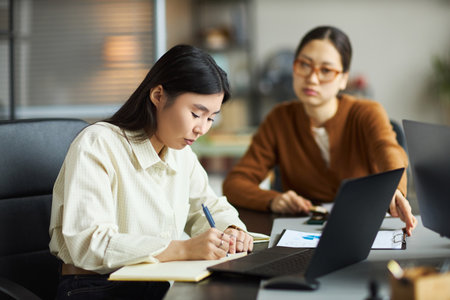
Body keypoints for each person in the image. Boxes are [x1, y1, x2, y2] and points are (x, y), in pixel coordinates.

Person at [49, 44, 253, 300]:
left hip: (155, 281)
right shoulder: (98, 144)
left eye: (211, 118)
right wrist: (182, 249)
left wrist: (232, 230)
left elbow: (208, 208)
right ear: (158, 96)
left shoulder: (181, 153)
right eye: (195, 114)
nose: (202, 128)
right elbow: (89, 244)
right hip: (95, 288)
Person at [222, 26, 417, 236]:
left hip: (361, 231)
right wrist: (273, 200)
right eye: (304, 65)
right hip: (302, 235)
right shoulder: (279, 119)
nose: (312, 79)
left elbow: (388, 149)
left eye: (325, 70)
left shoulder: (365, 112)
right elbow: (235, 183)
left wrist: (394, 189)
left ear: (343, 78)